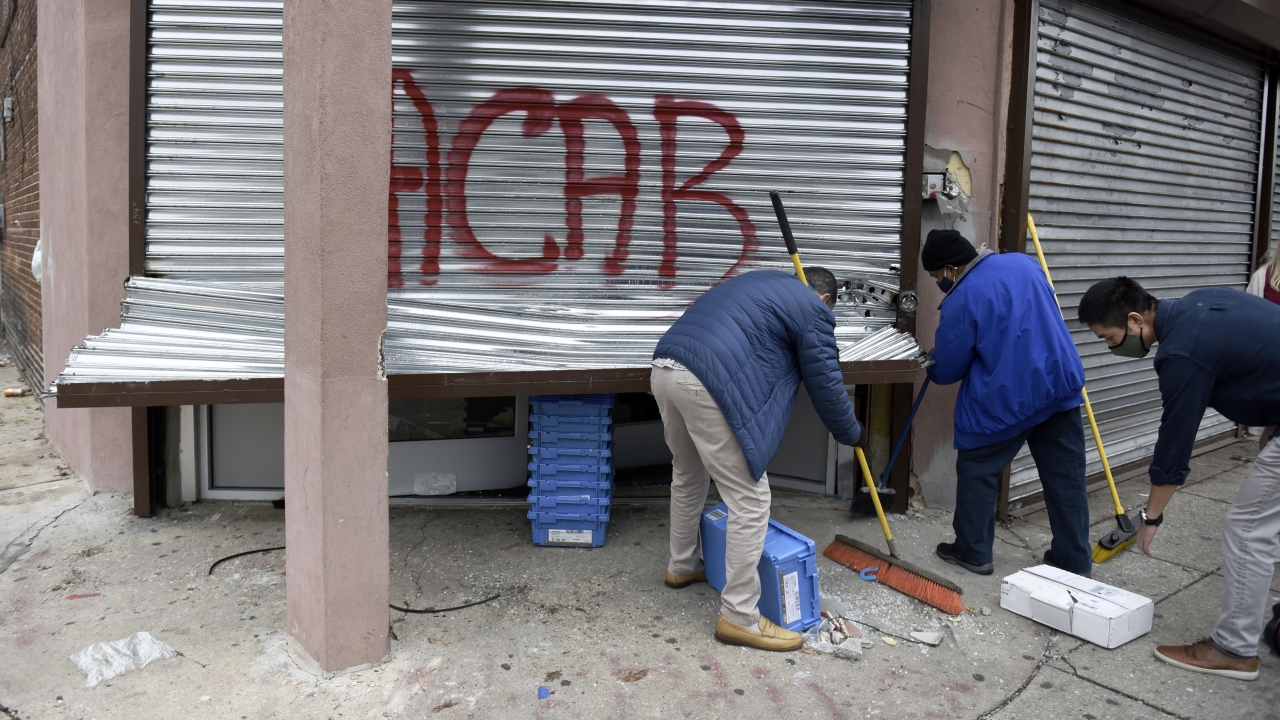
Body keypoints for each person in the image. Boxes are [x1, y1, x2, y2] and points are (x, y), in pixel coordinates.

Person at [1078, 277, 1280, 681]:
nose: (1111, 347)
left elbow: (1176, 437)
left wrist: (1151, 518)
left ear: (1136, 320)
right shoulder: (1202, 301)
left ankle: (1234, 649)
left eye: (1110, 337)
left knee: (1248, 530)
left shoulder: (1182, 351)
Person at [651, 267, 861, 652]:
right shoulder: (813, 310)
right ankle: (739, 616)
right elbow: (828, 386)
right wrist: (852, 435)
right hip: (703, 380)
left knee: (688, 473)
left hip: (665, 366)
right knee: (751, 499)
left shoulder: (764, 281)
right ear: (826, 299)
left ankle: (682, 566)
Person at [923, 229, 1092, 577]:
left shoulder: (962, 297)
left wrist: (931, 361)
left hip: (1009, 398)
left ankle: (973, 551)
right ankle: (1073, 559)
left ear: (951, 268)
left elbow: (948, 368)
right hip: (1058, 386)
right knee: (1066, 478)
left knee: (977, 470)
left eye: (936, 276)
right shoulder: (1023, 264)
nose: (939, 282)